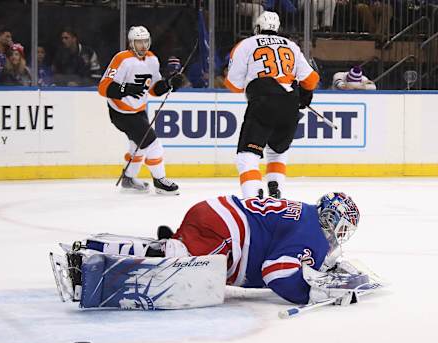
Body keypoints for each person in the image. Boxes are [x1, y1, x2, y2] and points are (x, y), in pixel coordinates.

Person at [58, 192, 362, 305]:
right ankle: (89, 265)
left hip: (217, 215)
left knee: (171, 252)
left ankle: (96, 246)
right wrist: (312, 294)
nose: (340, 237)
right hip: (225, 230)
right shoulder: (314, 234)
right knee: (172, 263)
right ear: (332, 220)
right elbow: (276, 273)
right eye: (342, 229)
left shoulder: (306, 214)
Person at [224, 11, 320, 199]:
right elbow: (311, 79)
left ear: (257, 28)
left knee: (247, 156)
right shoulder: (291, 45)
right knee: (277, 150)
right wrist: (304, 94)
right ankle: (276, 191)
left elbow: (234, 86)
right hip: (290, 104)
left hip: (263, 101)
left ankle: (253, 199)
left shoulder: (246, 44)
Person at [97, 26, 184, 195]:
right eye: (139, 42)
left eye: (145, 41)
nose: (143, 45)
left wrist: (168, 84)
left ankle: (128, 179)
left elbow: (153, 89)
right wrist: (127, 89)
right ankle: (160, 180)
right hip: (121, 113)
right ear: (131, 43)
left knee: (138, 145)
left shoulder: (152, 59)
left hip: (139, 111)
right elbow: (103, 87)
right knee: (153, 144)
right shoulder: (121, 59)